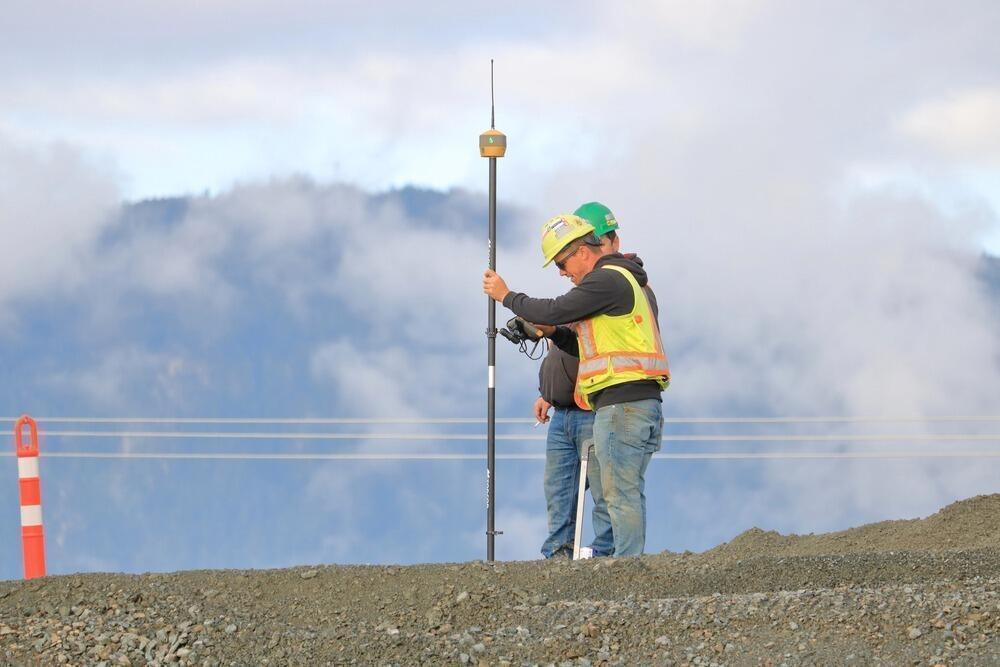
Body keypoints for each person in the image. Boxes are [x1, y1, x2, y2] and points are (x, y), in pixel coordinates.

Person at [484, 213, 669, 557]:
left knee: (618, 493)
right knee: (618, 491)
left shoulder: (608, 280)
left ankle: (627, 570)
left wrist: (506, 295)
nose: (562, 272)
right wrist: (553, 334)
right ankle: (623, 568)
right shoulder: (612, 286)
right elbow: (581, 345)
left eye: (562, 262)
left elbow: (555, 308)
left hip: (623, 404)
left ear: (582, 250)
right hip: (624, 403)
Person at [534, 202, 622, 559]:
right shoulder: (586, 291)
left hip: (593, 406)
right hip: (564, 409)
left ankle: (606, 559)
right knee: (559, 490)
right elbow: (566, 347)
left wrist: (508, 298)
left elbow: (593, 348)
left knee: (606, 492)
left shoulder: (612, 286)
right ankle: (558, 556)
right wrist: (548, 393)